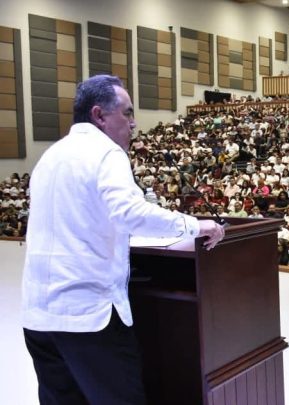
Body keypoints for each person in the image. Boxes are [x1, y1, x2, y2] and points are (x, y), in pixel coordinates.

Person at [22, 75, 225, 404]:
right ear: (99, 115)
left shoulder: (50, 156)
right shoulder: (106, 152)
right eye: (127, 113)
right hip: (89, 315)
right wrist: (195, 226)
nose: (133, 124)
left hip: (39, 315)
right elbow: (131, 213)